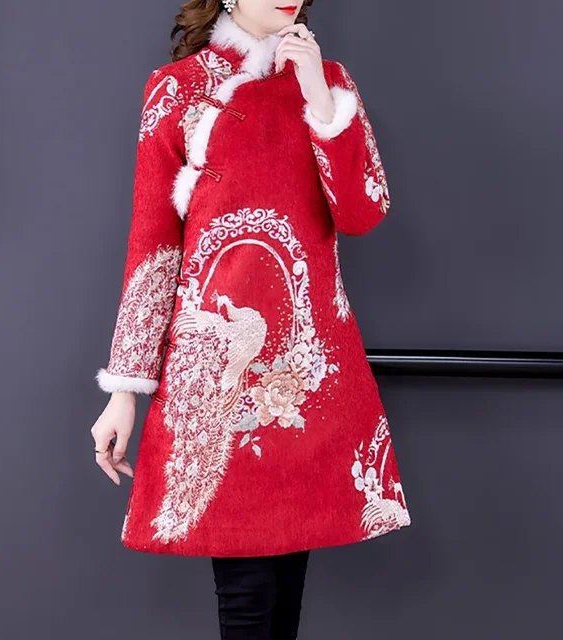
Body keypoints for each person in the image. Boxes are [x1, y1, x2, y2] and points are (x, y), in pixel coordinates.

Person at [90, 1, 412, 637]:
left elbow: (362, 213)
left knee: (286, 593)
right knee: (247, 598)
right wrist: (125, 391)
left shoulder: (330, 80)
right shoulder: (176, 89)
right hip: (216, 375)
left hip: (306, 373)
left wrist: (319, 95)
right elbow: (153, 245)